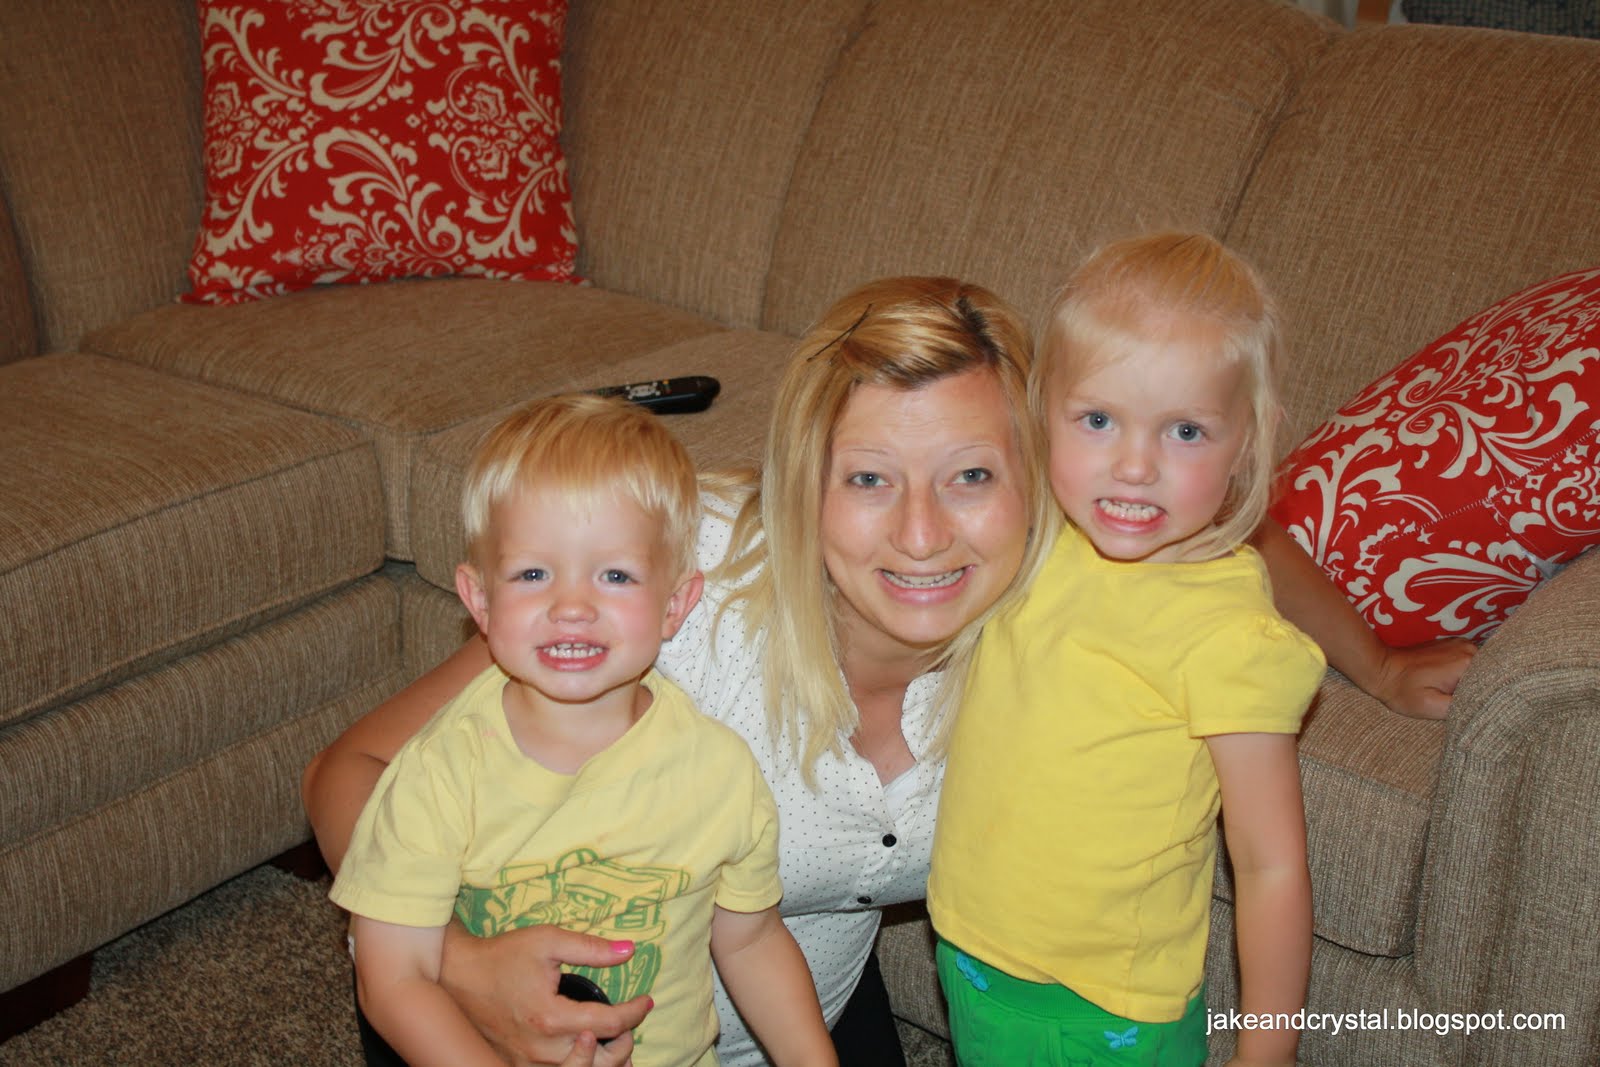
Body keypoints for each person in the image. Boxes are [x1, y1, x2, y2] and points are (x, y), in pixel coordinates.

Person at [301, 275, 1475, 1067]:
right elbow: (347, 771)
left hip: (803, 1018)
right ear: (802, 481)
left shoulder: (1062, 583)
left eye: (970, 476)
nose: (921, 534)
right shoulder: (664, 585)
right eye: (868, 478)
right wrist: (462, 964)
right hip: (513, 1023)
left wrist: (1374, 659)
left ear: (1037, 481)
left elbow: (1230, 527)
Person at [329, 394, 836, 1067]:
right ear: (479, 600)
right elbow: (395, 978)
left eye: (615, 575)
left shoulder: (718, 769)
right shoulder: (440, 771)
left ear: (675, 604)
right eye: (534, 573)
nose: (572, 606)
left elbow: (751, 941)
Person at [929, 232, 1328, 1066]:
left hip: (1112, 1007)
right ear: (1043, 411)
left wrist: (1267, 1049)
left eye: (1184, 429)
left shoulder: (1230, 635)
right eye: (1099, 419)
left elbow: (1269, 865)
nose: (1134, 465)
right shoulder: (1036, 536)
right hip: (970, 955)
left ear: (1248, 440)